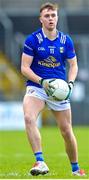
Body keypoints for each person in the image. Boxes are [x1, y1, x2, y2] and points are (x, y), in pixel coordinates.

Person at [21, 2, 85, 176]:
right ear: (40, 19)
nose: (51, 18)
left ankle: (75, 168)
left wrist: (70, 84)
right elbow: (24, 68)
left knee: (66, 130)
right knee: (28, 117)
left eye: (53, 15)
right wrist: (42, 82)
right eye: (47, 16)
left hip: (59, 90)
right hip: (38, 86)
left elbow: (73, 65)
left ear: (57, 17)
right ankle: (40, 161)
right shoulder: (32, 40)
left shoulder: (66, 40)